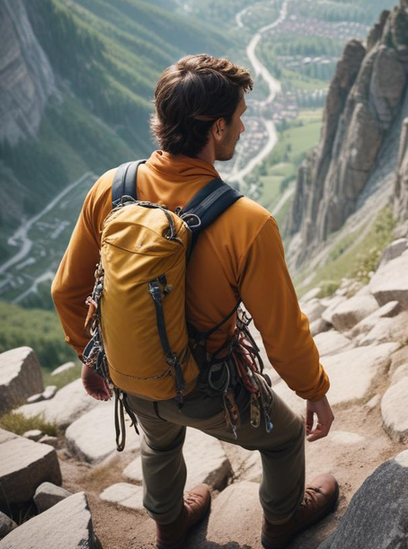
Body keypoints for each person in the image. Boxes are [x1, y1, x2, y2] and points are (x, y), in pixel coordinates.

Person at [51, 54, 338, 549]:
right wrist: (314, 389)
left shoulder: (110, 189)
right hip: (208, 388)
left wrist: (92, 355)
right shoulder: (248, 224)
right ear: (218, 127)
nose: (245, 127)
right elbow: (282, 332)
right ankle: (283, 520)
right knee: (285, 437)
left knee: (159, 440)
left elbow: (67, 291)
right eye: (240, 117)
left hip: (131, 376)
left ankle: (169, 526)